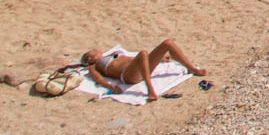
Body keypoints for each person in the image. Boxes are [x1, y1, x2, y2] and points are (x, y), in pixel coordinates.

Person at [79, 40, 208, 101]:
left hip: (140, 68)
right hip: (128, 76)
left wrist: (160, 59)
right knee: (143, 53)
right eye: (93, 52)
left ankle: (192, 69)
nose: (96, 50)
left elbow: (133, 58)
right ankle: (150, 89)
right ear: (89, 59)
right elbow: (98, 79)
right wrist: (111, 86)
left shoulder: (113, 55)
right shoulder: (93, 67)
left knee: (168, 43)